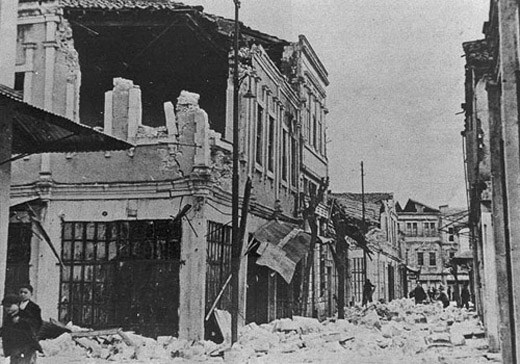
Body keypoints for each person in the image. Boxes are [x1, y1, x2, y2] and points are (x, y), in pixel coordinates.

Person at [1, 294, 42, 364]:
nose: (7, 309)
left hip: (26, 347)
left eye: (9, 306)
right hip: (14, 347)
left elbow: (34, 324)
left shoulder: (26, 314)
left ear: (17, 304)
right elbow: (4, 330)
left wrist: (21, 321)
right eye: (5, 307)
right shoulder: (8, 318)